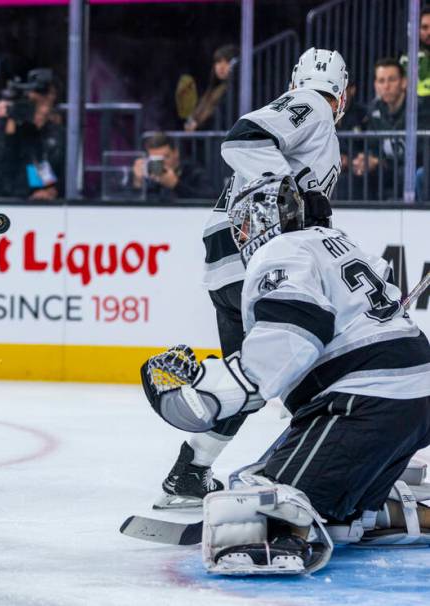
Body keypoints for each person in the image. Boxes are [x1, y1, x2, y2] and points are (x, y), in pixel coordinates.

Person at [142, 174, 430, 575]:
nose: (242, 234)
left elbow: (294, 333)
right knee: (344, 519)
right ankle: (386, 509)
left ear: (262, 220)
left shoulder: (281, 251)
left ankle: (289, 531)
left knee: (258, 498)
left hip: (365, 399)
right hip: (413, 393)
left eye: (243, 224)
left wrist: (213, 392)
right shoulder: (335, 242)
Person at [154, 48, 345, 510]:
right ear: (343, 95)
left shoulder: (312, 128)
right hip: (256, 259)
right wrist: (288, 195)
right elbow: (242, 138)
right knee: (316, 362)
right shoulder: (314, 105)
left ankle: (190, 473)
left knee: (251, 378)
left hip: (230, 265)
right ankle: (325, 469)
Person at [351, 58, 430, 200]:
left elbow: (421, 153)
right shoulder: (373, 112)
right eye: (381, 81)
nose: (386, 86)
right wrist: (367, 160)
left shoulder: (422, 109)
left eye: (392, 80)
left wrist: (381, 162)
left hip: (413, 172)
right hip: (387, 173)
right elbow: (372, 148)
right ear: (375, 85)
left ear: (404, 82)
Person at [0, 68, 65, 200]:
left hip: (48, 199)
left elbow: (42, 161)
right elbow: (5, 159)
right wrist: (4, 122)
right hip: (15, 196)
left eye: (47, 93)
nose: (42, 98)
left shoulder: (57, 132)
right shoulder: (18, 124)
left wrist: (48, 188)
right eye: (38, 92)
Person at [129, 132, 214, 201]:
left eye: (166, 157)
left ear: (176, 153)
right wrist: (137, 183)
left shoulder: (193, 172)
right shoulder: (144, 175)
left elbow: (210, 199)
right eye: (155, 159)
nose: (162, 163)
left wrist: (176, 185)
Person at [184, 44, 239, 132]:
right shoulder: (213, 89)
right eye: (218, 61)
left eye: (227, 62)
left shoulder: (233, 91)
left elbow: (220, 119)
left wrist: (197, 125)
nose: (221, 66)